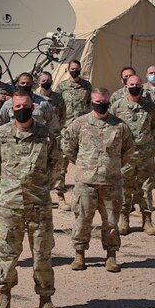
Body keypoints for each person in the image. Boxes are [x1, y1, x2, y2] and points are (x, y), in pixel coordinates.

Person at [0, 91, 61, 308]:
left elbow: (56, 163)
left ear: (33, 107)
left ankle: (45, 299)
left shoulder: (46, 135)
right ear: (11, 109)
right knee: (7, 254)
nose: (21, 109)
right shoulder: (1, 134)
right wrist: (4, 185)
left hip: (39, 205)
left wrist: (43, 186)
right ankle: (5, 295)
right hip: (11, 205)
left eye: (25, 105)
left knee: (42, 254)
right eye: (17, 106)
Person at [62, 87, 134, 273]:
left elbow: (128, 150)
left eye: (104, 102)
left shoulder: (119, 126)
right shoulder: (79, 124)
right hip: (86, 182)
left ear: (108, 102)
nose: (100, 105)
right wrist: (83, 164)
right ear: (91, 102)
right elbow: (69, 147)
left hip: (111, 182)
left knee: (111, 222)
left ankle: (111, 256)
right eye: (97, 102)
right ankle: (79, 255)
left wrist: (113, 166)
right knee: (83, 220)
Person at [109, 74, 155, 236]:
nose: (135, 86)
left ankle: (147, 221)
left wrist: (144, 141)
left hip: (145, 155)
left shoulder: (149, 106)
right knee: (124, 189)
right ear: (126, 86)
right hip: (125, 156)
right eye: (132, 84)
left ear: (142, 86)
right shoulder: (117, 106)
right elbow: (111, 128)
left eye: (138, 84)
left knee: (146, 189)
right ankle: (124, 220)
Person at [55, 59, 92, 210]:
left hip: (82, 130)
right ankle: (60, 196)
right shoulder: (62, 87)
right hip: (66, 130)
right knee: (62, 164)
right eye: (72, 68)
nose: (74, 70)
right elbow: (56, 105)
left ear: (80, 69)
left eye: (76, 68)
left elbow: (90, 105)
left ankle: (82, 197)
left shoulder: (87, 86)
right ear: (68, 69)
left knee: (84, 163)